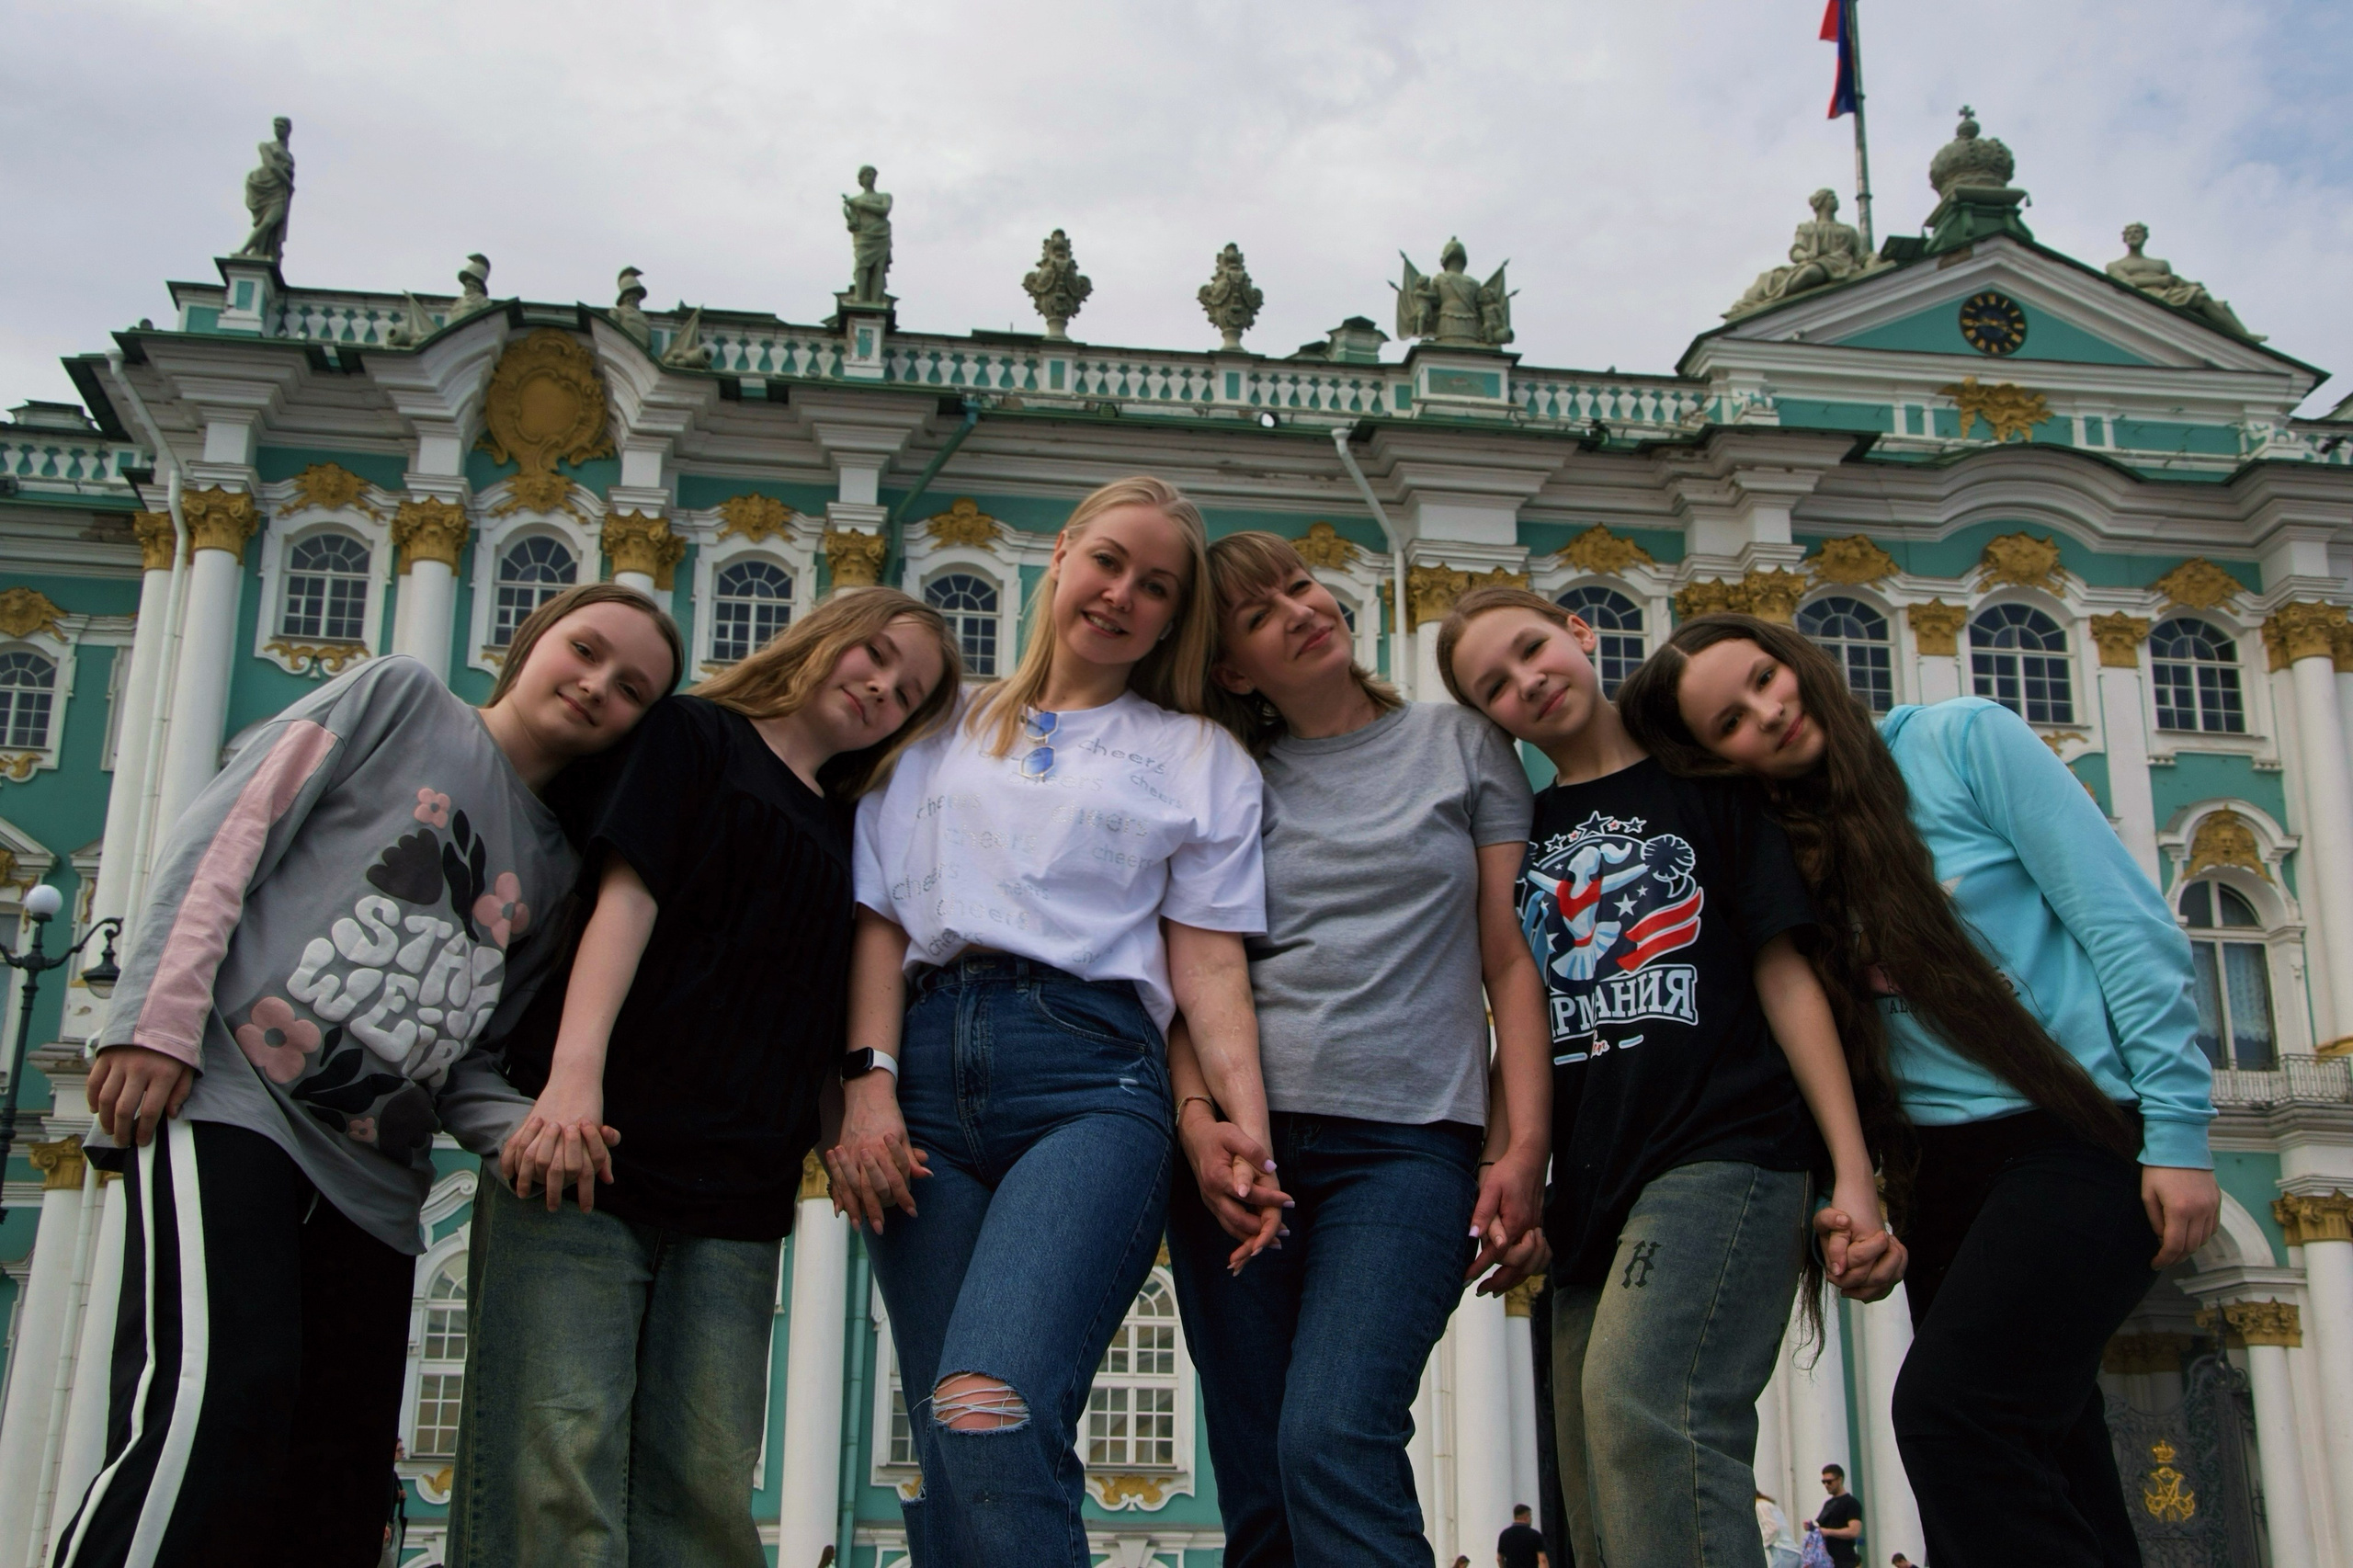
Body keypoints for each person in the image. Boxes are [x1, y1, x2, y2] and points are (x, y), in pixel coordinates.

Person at [53, 584, 683, 1568]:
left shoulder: (557, 871)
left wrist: (524, 1130)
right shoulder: (398, 699)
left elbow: (468, 1046)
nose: (599, 683)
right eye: (587, 649)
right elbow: (229, 836)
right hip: (230, 1098)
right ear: (531, 642)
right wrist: (153, 1022)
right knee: (216, 1394)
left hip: (374, 1183)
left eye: (633, 687)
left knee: (337, 1467)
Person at [1614, 614, 2221, 1568]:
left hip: (2077, 1129)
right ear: (1711, 756)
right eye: (1731, 719)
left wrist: (2179, 1130)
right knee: (2054, 1446)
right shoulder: (1777, 844)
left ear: (1799, 658)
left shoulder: (1961, 740)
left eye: (1769, 676)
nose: (1771, 711)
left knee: (1950, 1417)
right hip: (1942, 1170)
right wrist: (1849, 1193)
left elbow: (2128, 929)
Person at [449, 589, 958, 1567]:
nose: (880, 688)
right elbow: (624, 900)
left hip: (737, 1191)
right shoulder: (694, 735)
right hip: (593, 1151)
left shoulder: (856, 823)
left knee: (705, 1486)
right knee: (556, 1461)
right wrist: (570, 1081)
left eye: (907, 693)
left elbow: (825, 995)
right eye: (875, 655)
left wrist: (848, 1109)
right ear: (826, 635)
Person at [830, 476, 1273, 1568]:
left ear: (1173, 618)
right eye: (1108, 561)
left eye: (1155, 586)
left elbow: (1208, 959)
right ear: (1063, 555)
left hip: (1090, 1075)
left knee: (989, 1403)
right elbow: (879, 921)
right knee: (951, 1437)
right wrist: (867, 1081)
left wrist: (1238, 1126)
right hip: (924, 1071)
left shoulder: (1195, 754)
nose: (1122, 594)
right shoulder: (934, 734)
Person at [1435, 586, 1904, 1568]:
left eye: (1531, 649)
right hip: (1590, 1188)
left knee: (1644, 1406)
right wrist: (1508, 1171)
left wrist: (1850, 1172)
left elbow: (1788, 980)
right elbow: (1509, 1011)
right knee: (1596, 1491)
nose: (1528, 681)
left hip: (1724, 1150)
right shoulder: (1514, 838)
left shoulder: (1710, 792)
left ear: (1577, 631)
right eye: (1496, 686)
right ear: (1492, 719)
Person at [1164, 533, 1551, 1567]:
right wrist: (1199, 1127)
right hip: (1248, 1155)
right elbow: (1196, 978)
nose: (1300, 608)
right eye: (1259, 614)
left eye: (1299, 585)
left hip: (1409, 1146)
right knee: (1259, 1478)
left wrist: (1520, 1148)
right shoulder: (1227, 775)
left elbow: (1511, 960)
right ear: (1234, 669)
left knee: (1334, 1432)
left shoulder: (1462, 744)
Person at [1803, 1465, 1863, 1568]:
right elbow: (1822, 1528)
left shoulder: (1851, 1503)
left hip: (1843, 1559)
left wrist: (1828, 1532)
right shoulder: (1828, 1503)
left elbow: (1854, 1531)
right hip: (1824, 1559)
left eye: (1829, 1482)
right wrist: (1812, 1528)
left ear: (1839, 1480)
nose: (1826, 1485)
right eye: (1824, 1482)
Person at [1498, 1503, 1550, 1568]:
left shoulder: (1504, 1534)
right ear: (1526, 1517)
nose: (1531, 1519)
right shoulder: (1535, 1535)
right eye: (1530, 1516)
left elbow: (1499, 1558)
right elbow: (1542, 1560)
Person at [1756, 1490, 1800, 1568]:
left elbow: (1772, 1529)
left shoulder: (1759, 1505)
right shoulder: (1769, 1504)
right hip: (1794, 1552)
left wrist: (1759, 1543)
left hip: (1782, 1551)